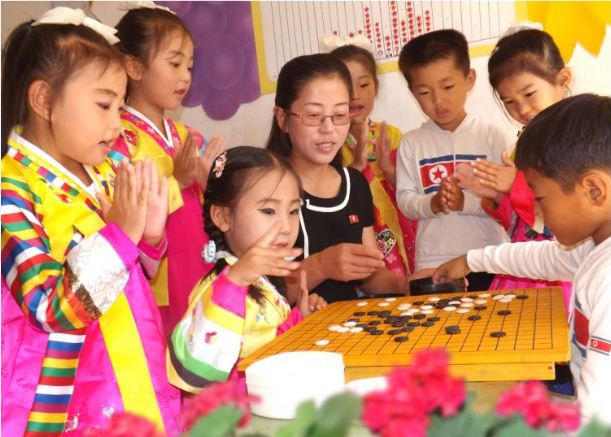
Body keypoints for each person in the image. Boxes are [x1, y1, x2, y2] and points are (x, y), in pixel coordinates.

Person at [1, 7, 179, 435]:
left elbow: (134, 274)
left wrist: (149, 237)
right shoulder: (11, 188)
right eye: (104, 105)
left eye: (121, 106)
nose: (117, 124)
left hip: (136, 371)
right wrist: (121, 234)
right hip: (68, 401)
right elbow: (48, 307)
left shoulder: (104, 169)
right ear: (43, 100)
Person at [432, 94, 611, 426]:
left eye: (540, 198)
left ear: (594, 190)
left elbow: (599, 415)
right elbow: (544, 257)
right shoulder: (594, 246)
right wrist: (471, 260)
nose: (538, 213)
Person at [167, 146, 326, 393]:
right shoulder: (218, 287)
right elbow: (195, 374)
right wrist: (236, 281)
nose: (286, 227)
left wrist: (299, 320)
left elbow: (266, 339)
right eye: (268, 211)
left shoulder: (259, 280)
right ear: (222, 217)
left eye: (293, 211)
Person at [267, 53, 416, 303]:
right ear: (282, 118)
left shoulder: (354, 183)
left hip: (346, 324)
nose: (329, 129)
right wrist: (322, 265)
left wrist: (406, 284)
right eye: (313, 115)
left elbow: (370, 275)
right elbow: (261, 293)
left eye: (339, 115)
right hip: (294, 327)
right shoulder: (265, 188)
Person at [113, 6, 225, 336]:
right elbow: (125, 214)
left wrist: (212, 185)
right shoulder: (119, 140)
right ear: (135, 67)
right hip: (161, 274)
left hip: (199, 260)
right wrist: (177, 181)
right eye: (175, 64)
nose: (186, 76)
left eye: (189, 66)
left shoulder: (188, 135)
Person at [453, 27, 572, 310]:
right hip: (522, 266)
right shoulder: (524, 144)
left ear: (562, 80)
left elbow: (571, 218)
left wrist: (515, 186)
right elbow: (520, 224)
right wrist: (495, 195)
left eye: (529, 94)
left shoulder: (579, 140)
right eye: (509, 102)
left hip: (561, 273)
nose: (522, 109)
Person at [395, 29, 513, 291]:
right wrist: (433, 203)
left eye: (447, 87)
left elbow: (505, 204)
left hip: (489, 256)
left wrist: (464, 202)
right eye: (424, 92)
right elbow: (405, 201)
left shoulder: (492, 137)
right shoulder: (411, 143)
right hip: (433, 261)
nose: (438, 100)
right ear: (412, 92)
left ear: (469, 79)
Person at [330, 43, 416, 277]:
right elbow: (330, 194)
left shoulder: (392, 135)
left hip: (395, 226)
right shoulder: (329, 142)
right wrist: (357, 164)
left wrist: (389, 170)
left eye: (363, 84)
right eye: (346, 86)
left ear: (376, 87)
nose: (355, 94)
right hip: (355, 226)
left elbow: (409, 190)